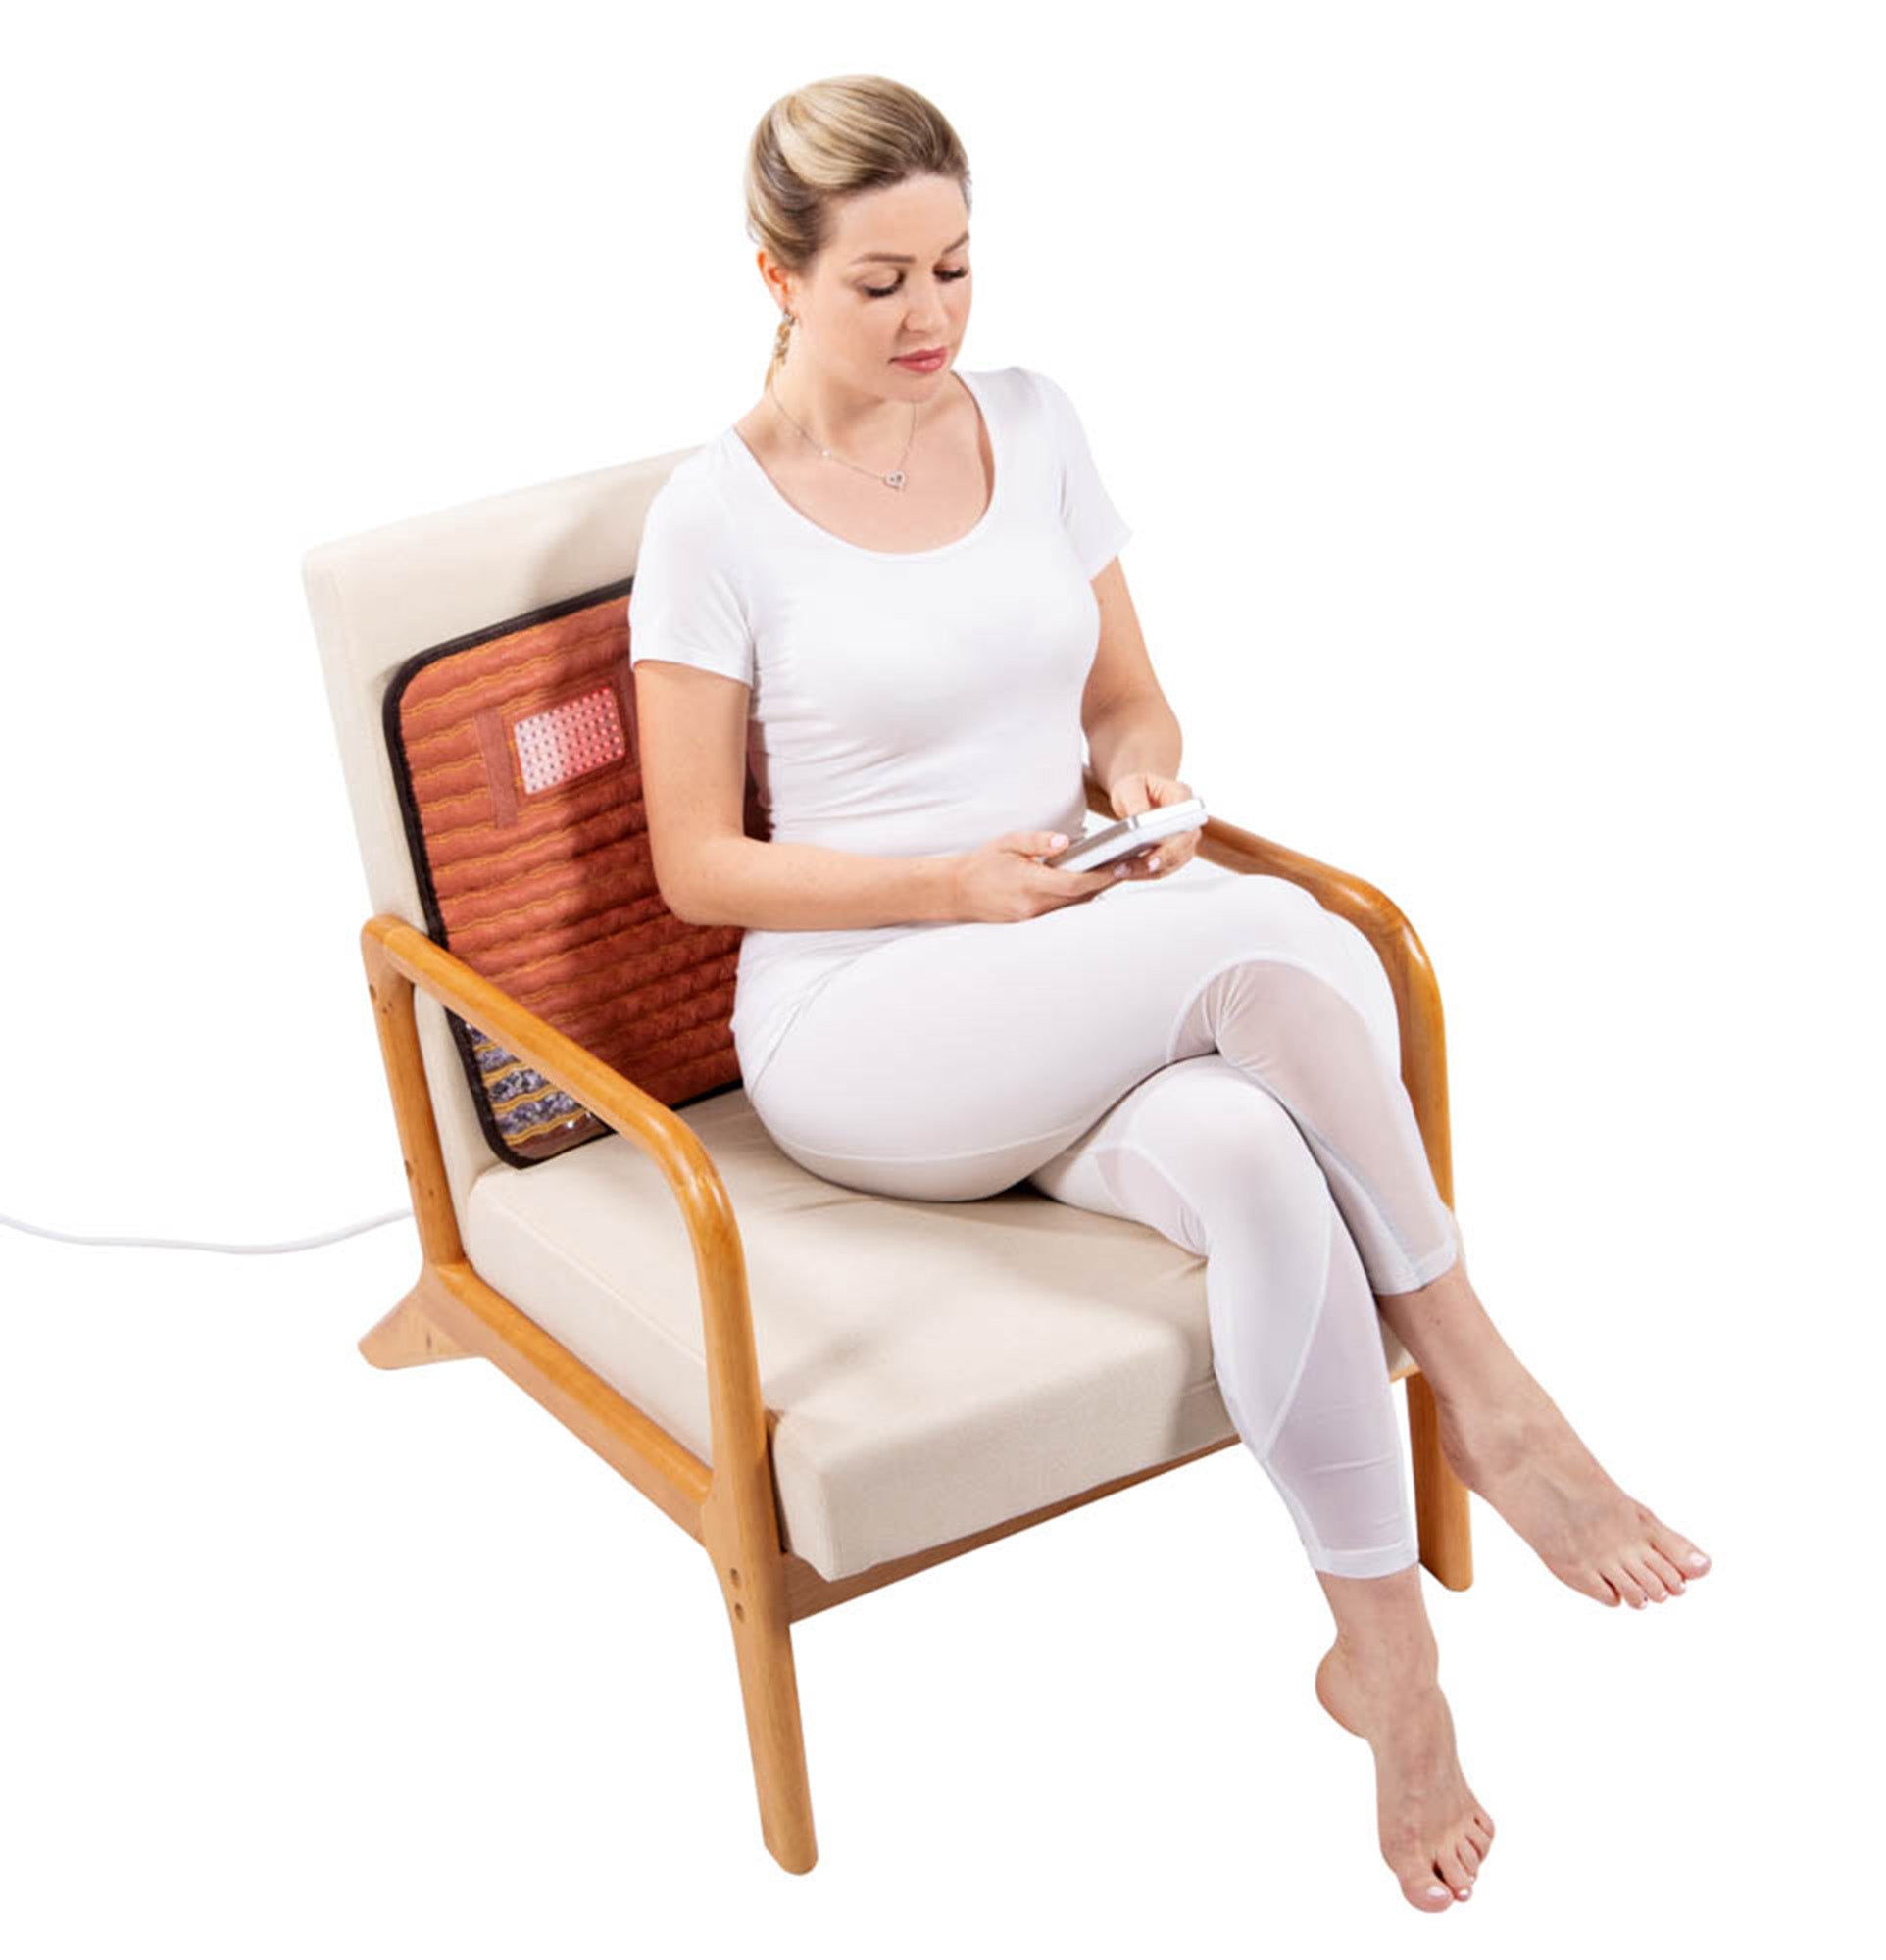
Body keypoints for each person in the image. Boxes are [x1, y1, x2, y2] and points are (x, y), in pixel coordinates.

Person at [628, 74, 1712, 1915]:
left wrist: (1139, 784)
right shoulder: (712, 519)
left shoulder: (1035, 422)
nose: (931, 316)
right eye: (881, 281)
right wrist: (948, 886)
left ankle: (1388, 1669)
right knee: (1280, 942)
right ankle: (1494, 1399)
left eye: (957, 267)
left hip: (1068, 961)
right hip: (867, 1015)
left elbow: (1127, 698)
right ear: (776, 278)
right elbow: (694, 867)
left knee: (1258, 1157)